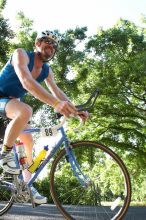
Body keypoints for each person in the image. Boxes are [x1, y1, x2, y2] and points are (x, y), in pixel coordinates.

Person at [0, 30, 88, 204]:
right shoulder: (21, 54)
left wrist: (76, 109)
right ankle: (5, 156)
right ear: (37, 44)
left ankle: (26, 185)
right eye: (47, 42)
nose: (51, 47)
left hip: (11, 107)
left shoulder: (46, 71)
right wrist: (55, 104)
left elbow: (57, 92)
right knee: (25, 111)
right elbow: (26, 81)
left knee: (28, 140)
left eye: (54, 46)